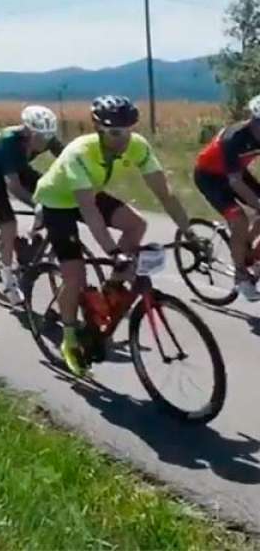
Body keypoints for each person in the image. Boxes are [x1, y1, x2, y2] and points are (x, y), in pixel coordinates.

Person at [34, 95, 199, 377]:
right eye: (113, 132)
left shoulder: (137, 146)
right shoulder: (79, 152)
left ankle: (111, 291)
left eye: (127, 130)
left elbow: (165, 194)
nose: (121, 138)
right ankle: (70, 337)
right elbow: (89, 211)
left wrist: (189, 233)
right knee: (75, 275)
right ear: (98, 129)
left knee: (136, 224)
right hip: (57, 201)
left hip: (89, 193)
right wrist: (113, 252)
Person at [0, 105, 65, 302]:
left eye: (47, 137)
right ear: (27, 131)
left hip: (20, 167)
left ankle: (29, 240)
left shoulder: (46, 137)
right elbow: (15, 187)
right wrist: (36, 206)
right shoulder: (9, 142)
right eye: (39, 137)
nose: (44, 142)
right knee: (9, 223)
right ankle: (9, 281)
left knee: (50, 192)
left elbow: (70, 159)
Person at [193, 94, 260, 301]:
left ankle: (245, 248)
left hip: (236, 173)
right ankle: (240, 275)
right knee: (239, 220)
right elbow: (235, 183)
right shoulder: (235, 138)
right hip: (210, 177)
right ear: (254, 120)